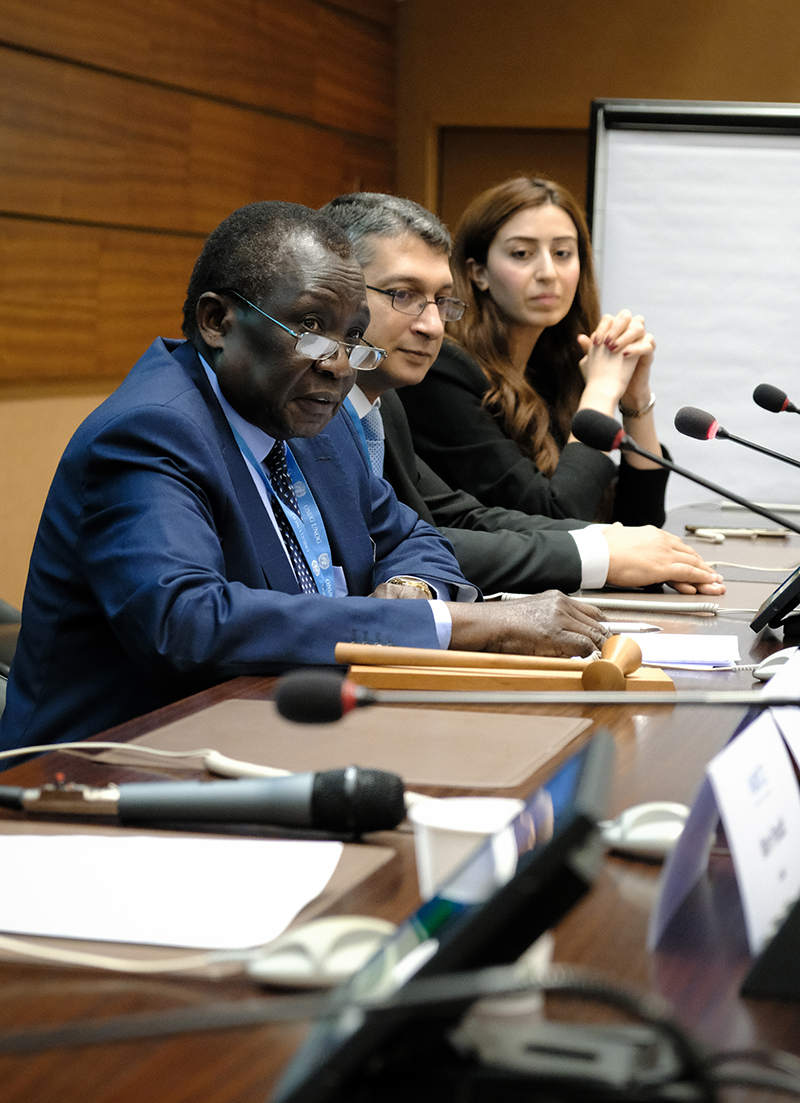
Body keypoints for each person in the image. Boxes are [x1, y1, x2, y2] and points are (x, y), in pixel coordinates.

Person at [0, 201, 611, 755]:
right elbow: (186, 622)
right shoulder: (150, 432)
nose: (340, 366)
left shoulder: (316, 416)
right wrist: (459, 624)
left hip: (283, 735)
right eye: (312, 329)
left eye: (351, 336)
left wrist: (412, 591)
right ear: (218, 321)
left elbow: (414, 537)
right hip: (107, 774)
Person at [321, 191, 725, 597]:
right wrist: (600, 552)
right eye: (403, 295)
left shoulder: (384, 401)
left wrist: (634, 405)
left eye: (441, 301)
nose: (432, 325)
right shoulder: (424, 375)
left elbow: (455, 516)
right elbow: (403, 541)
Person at [399, 176, 671, 526]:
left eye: (562, 253)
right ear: (478, 273)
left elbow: (640, 523)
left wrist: (635, 401)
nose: (548, 273)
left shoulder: (554, 372)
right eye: (522, 254)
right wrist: (602, 391)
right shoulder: (443, 369)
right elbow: (555, 521)